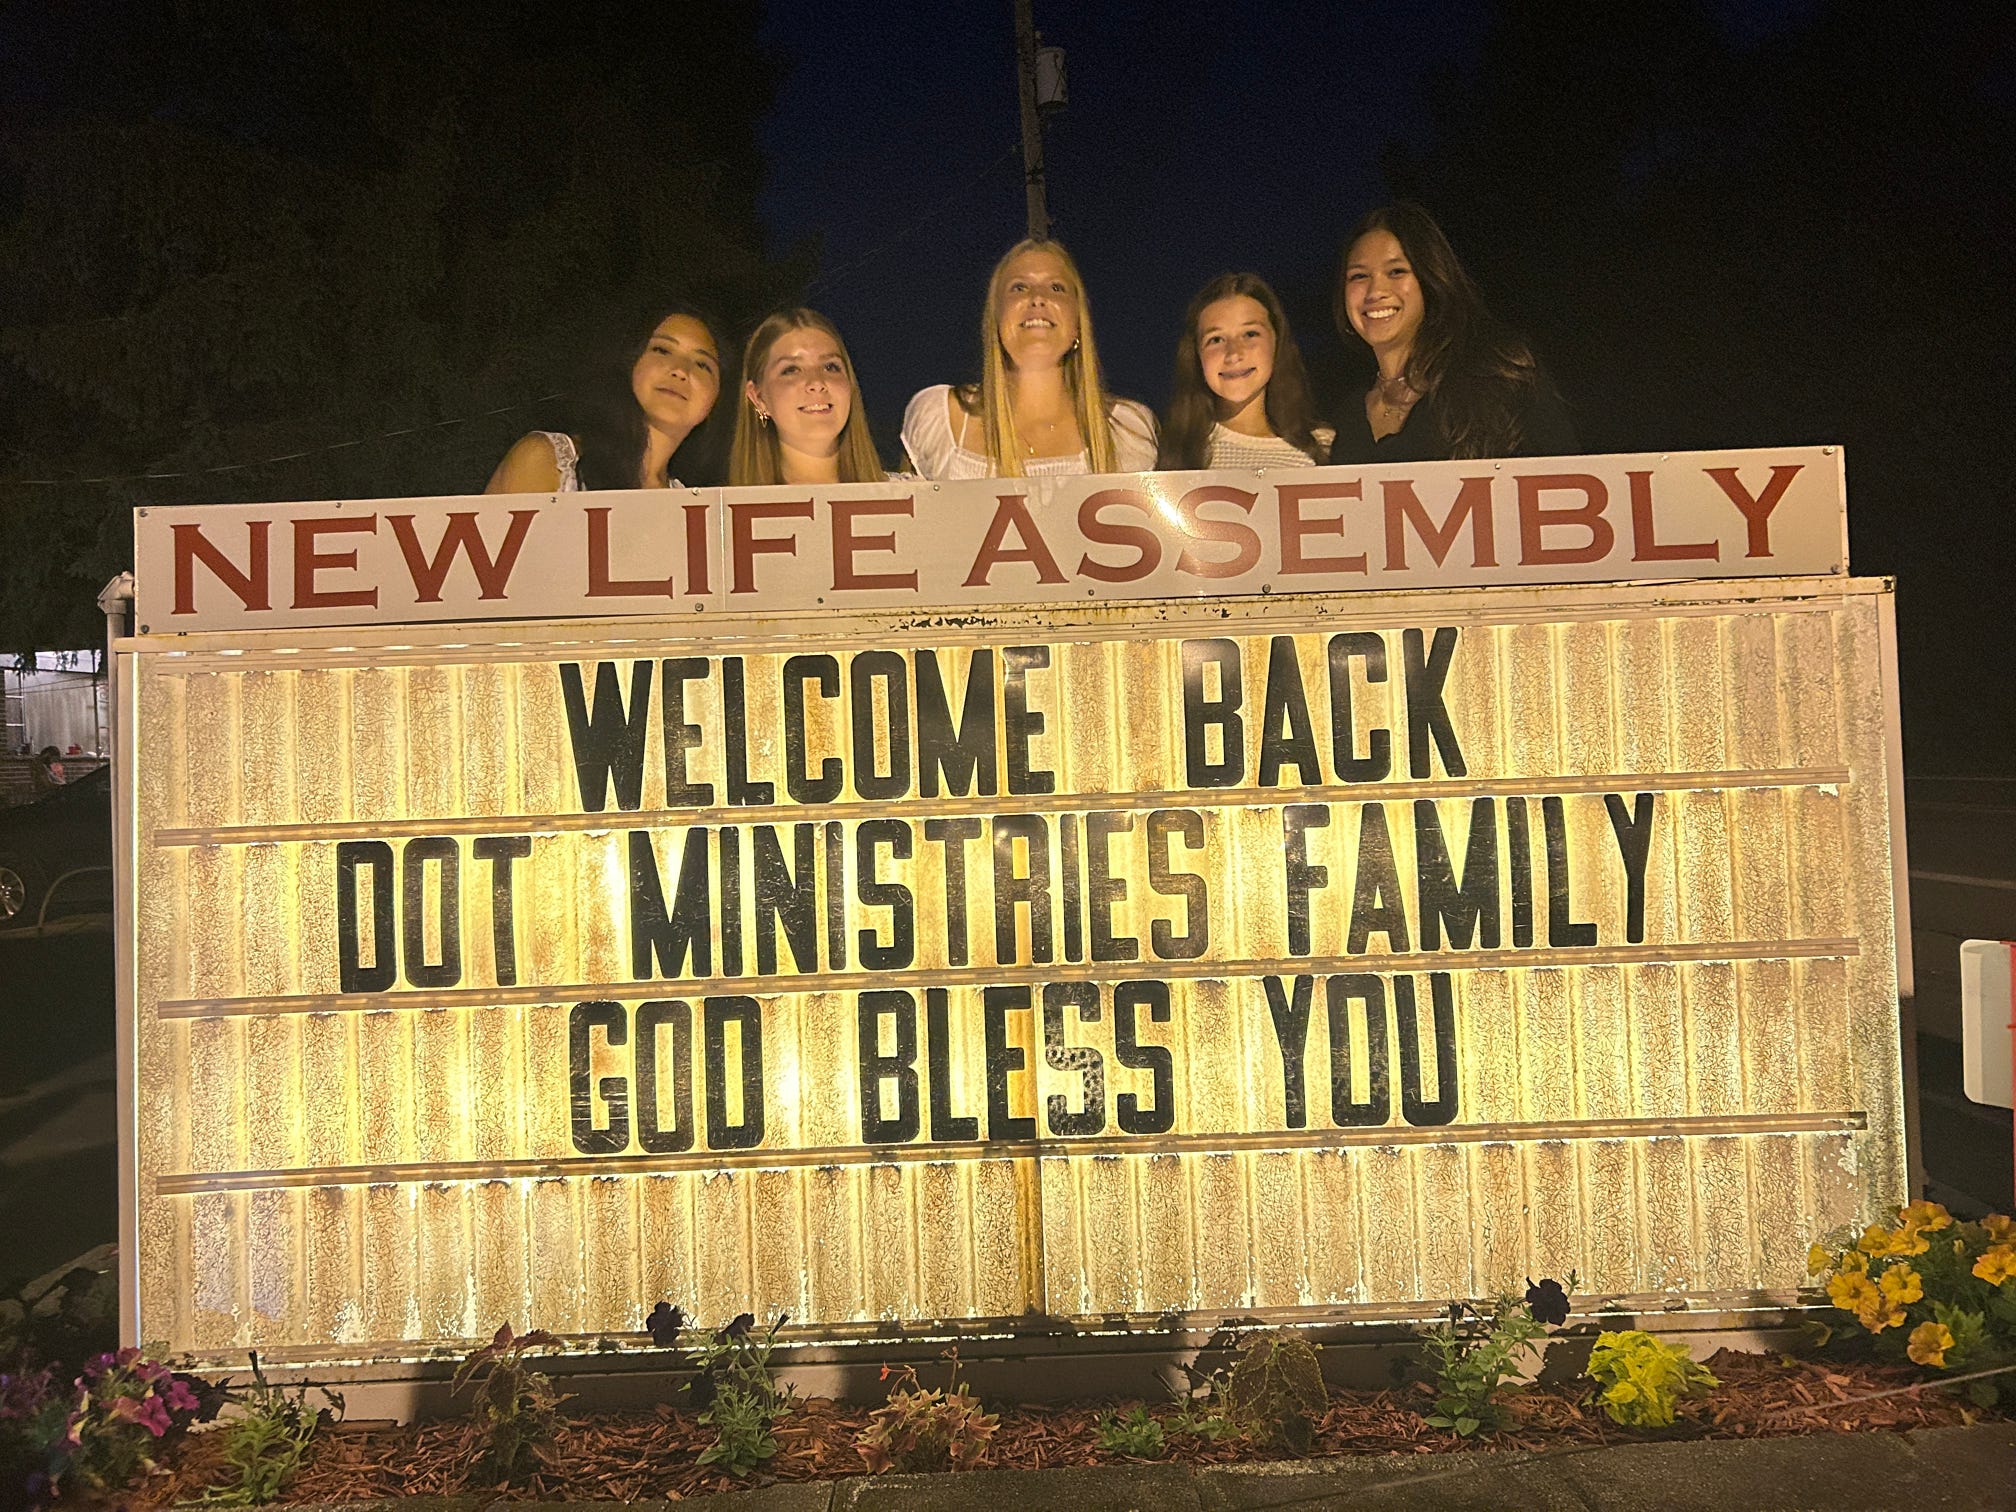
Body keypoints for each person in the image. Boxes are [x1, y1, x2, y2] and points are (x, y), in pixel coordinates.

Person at [1328, 203, 1576, 464]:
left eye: (1396, 272)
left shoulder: (1499, 380)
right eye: (1359, 276)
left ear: (1429, 278)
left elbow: (1564, 480)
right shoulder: (1343, 422)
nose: (1376, 291)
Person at [901, 239, 1157, 479]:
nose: (1037, 298)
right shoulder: (940, 419)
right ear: (996, 318)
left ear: (1078, 323)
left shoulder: (1126, 432)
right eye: (1019, 287)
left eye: (1056, 288)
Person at [486, 306, 731, 492]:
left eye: (702, 364)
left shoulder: (694, 506)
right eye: (662, 350)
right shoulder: (549, 461)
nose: (680, 371)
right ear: (629, 361)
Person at [1157, 273, 1330, 471]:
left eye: (1250, 334)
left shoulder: (1323, 447)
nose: (1233, 354)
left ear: (1276, 341)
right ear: (1197, 354)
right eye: (1216, 339)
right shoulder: (1166, 451)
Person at [728, 308, 886, 485]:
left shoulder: (905, 496)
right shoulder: (722, 502)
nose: (817, 383)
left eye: (830, 367)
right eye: (791, 370)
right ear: (758, 398)